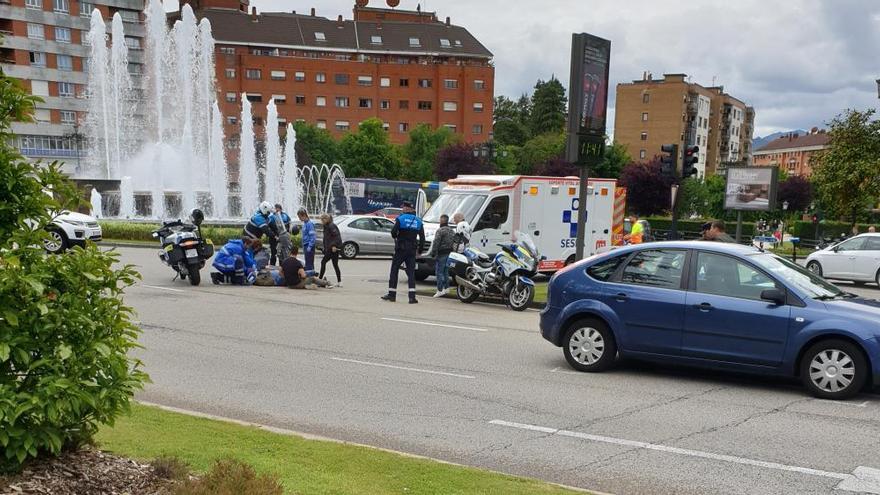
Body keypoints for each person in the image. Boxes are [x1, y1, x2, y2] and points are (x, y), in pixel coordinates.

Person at [381, 201, 426, 304]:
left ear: (407, 209)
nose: (403, 209)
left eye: (404, 208)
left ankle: (392, 295)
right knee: (411, 273)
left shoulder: (400, 219)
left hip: (401, 249)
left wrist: (396, 236)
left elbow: (393, 233)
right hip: (412, 250)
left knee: (394, 270)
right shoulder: (418, 221)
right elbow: (422, 238)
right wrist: (419, 251)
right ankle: (412, 297)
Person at [429, 214, 455, 297]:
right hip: (450, 253)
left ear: (441, 221)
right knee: (446, 271)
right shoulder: (451, 230)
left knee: (439, 272)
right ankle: (446, 288)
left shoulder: (440, 230)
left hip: (442, 253)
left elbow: (436, 242)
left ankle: (440, 290)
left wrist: (433, 253)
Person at [319, 213, 343, 287]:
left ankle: (319, 280)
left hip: (333, 248)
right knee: (335, 265)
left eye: (322, 220)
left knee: (323, 262)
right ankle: (339, 282)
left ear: (326, 219)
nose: (321, 221)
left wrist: (334, 245)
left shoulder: (331, 226)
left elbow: (337, 237)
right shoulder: (326, 226)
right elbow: (327, 238)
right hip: (331, 248)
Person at [297, 208, 317, 275]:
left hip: (309, 246)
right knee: (308, 263)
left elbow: (313, 237)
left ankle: (310, 278)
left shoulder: (309, 224)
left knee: (309, 264)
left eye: (300, 217)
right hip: (306, 245)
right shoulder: (305, 224)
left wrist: (310, 246)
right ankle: (312, 277)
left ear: (304, 215)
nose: (299, 219)